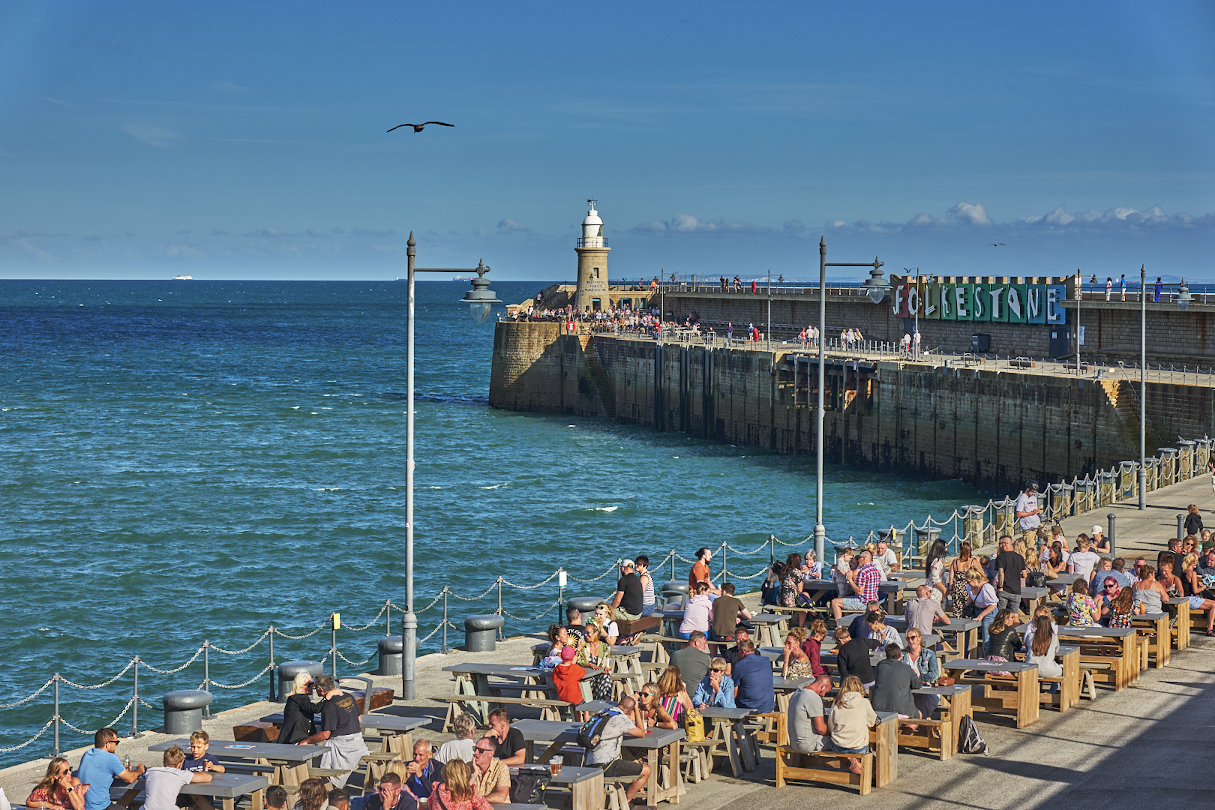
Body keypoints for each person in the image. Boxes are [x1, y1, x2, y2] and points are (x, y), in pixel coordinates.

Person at [299, 675, 368, 788]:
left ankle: (319, 784)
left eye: (315, 688)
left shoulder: (329, 706)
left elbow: (325, 734)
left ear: (321, 690)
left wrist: (306, 741)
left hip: (344, 746)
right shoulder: (348, 696)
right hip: (358, 742)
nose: (315, 691)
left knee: (315, 749)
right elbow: (359, 719)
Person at [586, 696, 651, 802]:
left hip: (589, 762)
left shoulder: (603, 712)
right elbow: (641, 732)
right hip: (607, 765)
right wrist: (637, 710)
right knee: (646, 770)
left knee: (625, 760)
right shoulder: (621, 719)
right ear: (630, 711)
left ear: (618, 703)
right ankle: (625, 801)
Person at [77, 728, 144, 810]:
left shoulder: (88, 753)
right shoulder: (110, 758)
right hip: (99, 807)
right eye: (116, 742)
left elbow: (100, 769)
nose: (116, 745)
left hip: (82, 805)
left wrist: (119, 769)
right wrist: (139, 770)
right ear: (107, 744)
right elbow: (129, 779)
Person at [827, 676, 877, 775]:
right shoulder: (864, 702)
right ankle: (866, 774)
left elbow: (831, 726)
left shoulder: (837, 702)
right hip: (859, 746)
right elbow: (872, 722)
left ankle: (857, 768)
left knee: (847, 752)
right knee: (872, 756)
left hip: (839, 745)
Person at [144, 746, 211, 810]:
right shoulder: (179, 774)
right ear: (180, 764)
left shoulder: (151, 771)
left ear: (164, 762)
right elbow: (208, 777)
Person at [871, 643, 922, 723]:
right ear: (900, 655)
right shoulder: (906, 667)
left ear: (886, 655)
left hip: (878, 709)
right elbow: (918, 685)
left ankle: (899, 734)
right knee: (919, 715)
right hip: (901, 709)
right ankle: (905, 734)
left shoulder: (880, 666)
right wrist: (916, 676)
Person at [786, 675, 833, 754]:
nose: (824, 695)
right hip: (807, 744)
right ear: (822, 686)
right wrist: (833, 732)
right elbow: (821, 729)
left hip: (794, 742)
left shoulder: (797, 692)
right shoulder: (813, 697)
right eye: (826, 692)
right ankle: (854, 765)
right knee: (842, 741)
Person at [831, 550, 881, 621]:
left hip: (863, 603)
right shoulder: (876, 571)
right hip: (874, 601)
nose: (858, 560)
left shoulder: (863, 572)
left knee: (835, 602)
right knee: (845, 599)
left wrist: (850, 579)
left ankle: (839, 626)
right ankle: (848, 624)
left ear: (863, 559)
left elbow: (859, 592)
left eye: (859, 558)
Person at [903, 629, 941, 719]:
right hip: (907, 692)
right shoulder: (902, 654)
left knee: (919, 706)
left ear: (919, 638)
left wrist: (918, 677)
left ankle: (911, 730)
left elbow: (935, 675)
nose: (910, 641)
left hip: (926, 691)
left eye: (913, 637)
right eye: (908, 638)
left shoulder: (930, 654)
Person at [731, 640, 775, 712]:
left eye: (738, 651)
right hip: (769, 704)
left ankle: (738, 722)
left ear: (743, 651)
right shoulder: (766, 660)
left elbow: (734, 693)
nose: (737, 653)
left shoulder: (739, 666)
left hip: (750, 705)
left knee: (732, 702)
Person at [577, 623, 614, 701]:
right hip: (585, 677)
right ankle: (606, 705)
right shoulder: (583, 645)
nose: (586, 635)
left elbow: (606, 663)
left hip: (599, 676)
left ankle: (606, 703)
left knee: (605, 677)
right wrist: (590, 665)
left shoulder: (605, 647)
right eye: (584, 633)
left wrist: (606, 668)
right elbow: (579, 661)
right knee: (605, 680)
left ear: (596, 633)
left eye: (588, 632)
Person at [1181, 553, 1215, 635]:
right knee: (1214, 605)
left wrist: (1197, 583)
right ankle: (1210, 629)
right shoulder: (1192, 573)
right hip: (1191, 599)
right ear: (1193, 563)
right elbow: (1195, 591)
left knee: (1212, 602)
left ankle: (1210, 628)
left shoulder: (1184, 571)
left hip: (1186, 598)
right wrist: (1203, 588)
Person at [993, 534, 1027, 614]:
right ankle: (1014, 626)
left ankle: (1002, 626)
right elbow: (1025, 575)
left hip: (1005, 589)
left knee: (1001, 614)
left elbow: (1001, 573)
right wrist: (1015, 574)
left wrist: (1000, 587)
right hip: (1016, 590)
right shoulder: (1020, 557)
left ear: (1005, 544)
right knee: (1015, 615)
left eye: (1000, 544)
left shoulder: (1000, 557)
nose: (1000, 546)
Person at [469, 738, 511, 803]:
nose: (475, 753)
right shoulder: (468, 767)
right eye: (475, 749)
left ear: (491, 754)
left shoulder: (501, 768)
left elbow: (501, 797)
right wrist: (474, 774)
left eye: (480, 750)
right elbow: (463, 794)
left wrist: (479, 800)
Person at [965, 569, 999, 644]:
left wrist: (981, 615)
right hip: (976, 610)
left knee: (987, 639)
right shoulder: (969, 587)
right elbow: (971, 596)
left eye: (968, 581)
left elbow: (993, 604)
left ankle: (988, 655)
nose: (967, 583)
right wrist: (966, 606)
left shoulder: (986, 588)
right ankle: (967, 655)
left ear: (975, 580)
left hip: (989, 613)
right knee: (968, 635)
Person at [1026, 614, 1062, 678]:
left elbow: (1027, 647)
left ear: (1037, 625)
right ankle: (1053, 688)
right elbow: (1057, 650)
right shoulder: (1053, 637)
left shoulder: (1030, 636)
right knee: (1061, 670)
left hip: (1030, 668)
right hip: (1048, 669)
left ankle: (1038, 687)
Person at [947, 542, 976, 617]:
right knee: (968, 608)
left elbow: (951, 577)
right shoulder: (972, 561)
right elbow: (981, 573)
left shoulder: (955, 562)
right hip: (968, 587)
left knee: (957, 609)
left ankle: (957, 626)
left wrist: (951, 589)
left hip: (957, 587)